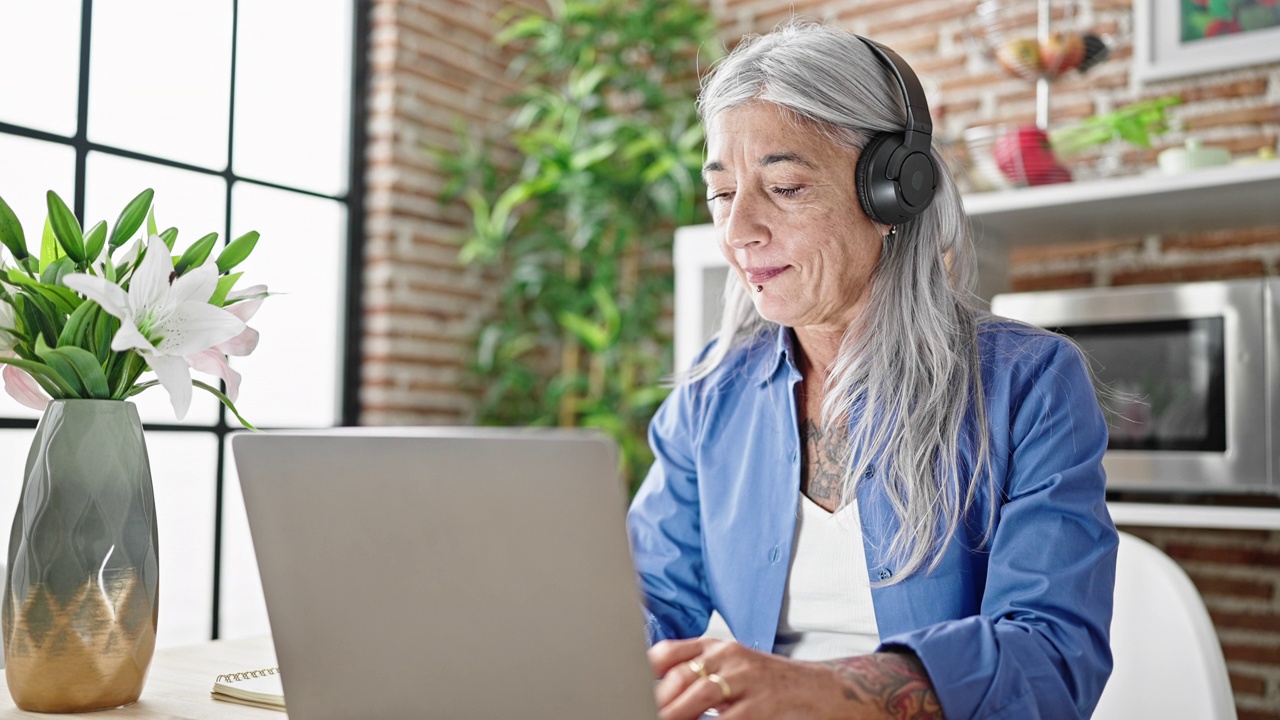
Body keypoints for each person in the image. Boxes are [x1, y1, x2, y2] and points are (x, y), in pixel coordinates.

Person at [626, 21, 1118, 720]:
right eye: (721, 193)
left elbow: (1052, 658)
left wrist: (825, 692)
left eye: (786, 187)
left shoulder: (1031, 385)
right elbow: (644, 601)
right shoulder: (711, 394)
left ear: (894, 193)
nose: (738, 231)